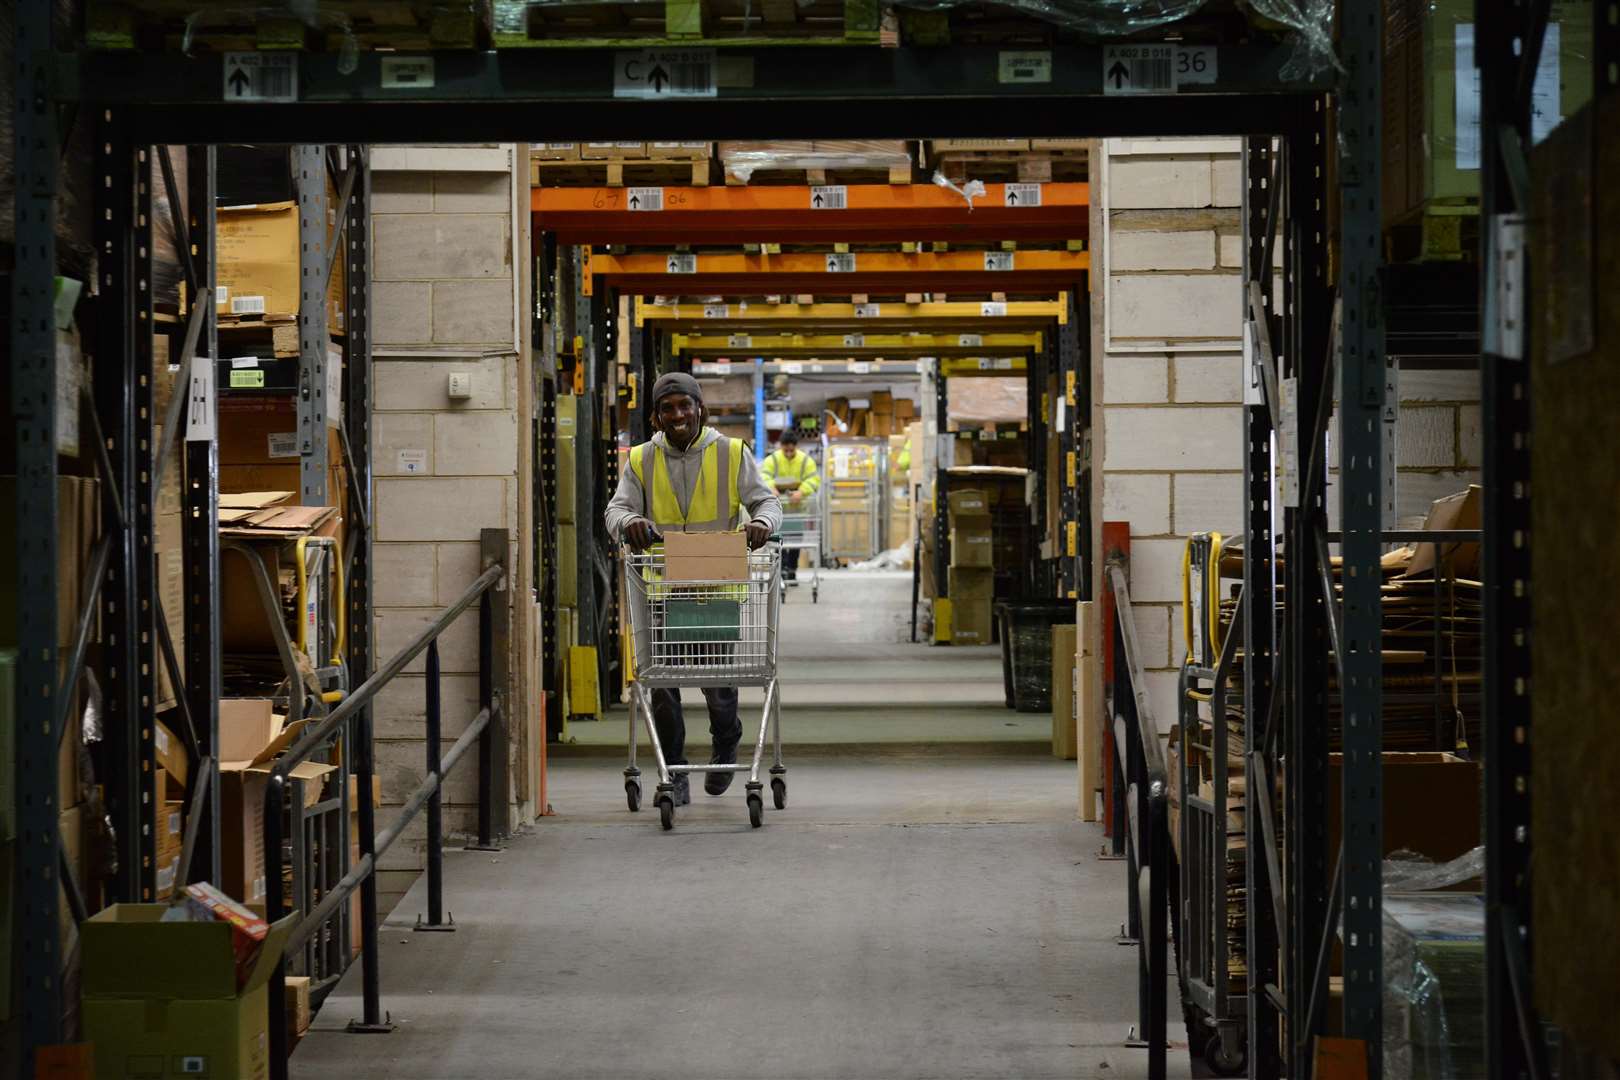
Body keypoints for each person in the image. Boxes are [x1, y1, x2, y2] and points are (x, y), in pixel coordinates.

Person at [605, 372, 781, 806]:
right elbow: (616, 509)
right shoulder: (642, 459)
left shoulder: (731, 453)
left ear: (700, 408)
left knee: (717, 683)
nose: (678, 414)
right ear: (656, 416)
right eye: (668, 408)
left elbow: (767, 501)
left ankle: (726, 741)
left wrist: (762, 523)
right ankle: (675, 769)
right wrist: (629, 522)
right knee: (663, 686)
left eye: (685, 405)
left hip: (716, 590)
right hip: (662, 591)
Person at [761, 430, 820, 583]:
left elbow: (813, 479)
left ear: (796, 447)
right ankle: (781, 571)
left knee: (795, 542)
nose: (788, 453)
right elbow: (763, 476)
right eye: (785, 450)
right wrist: (771, 487)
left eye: (791, 450)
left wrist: (801, 491)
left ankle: (792, 570)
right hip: (778, 512)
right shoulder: (772, 460)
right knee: (778, 542)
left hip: (797, 511)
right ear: (780, 447)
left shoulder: (806, 461)